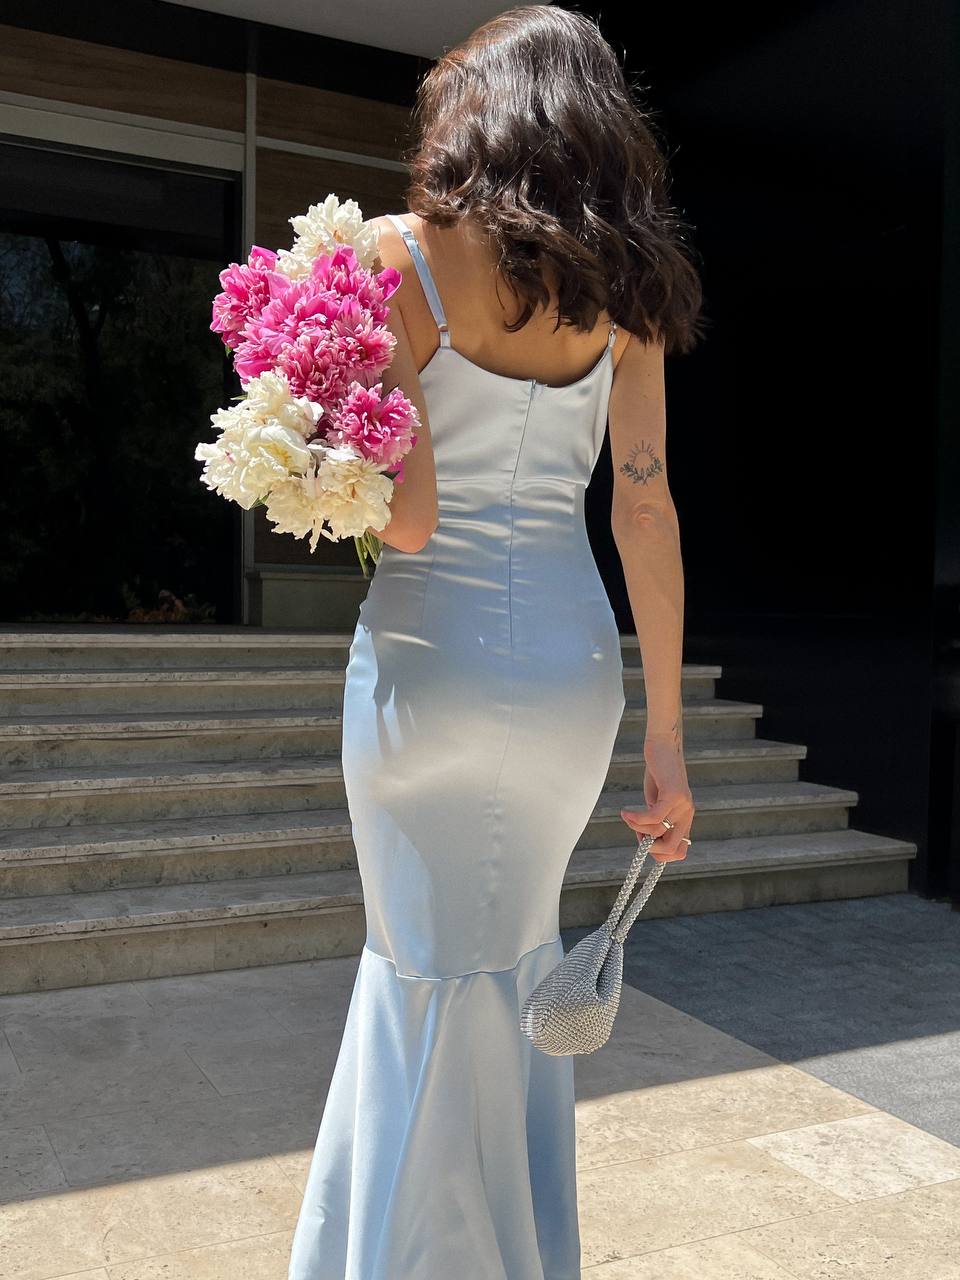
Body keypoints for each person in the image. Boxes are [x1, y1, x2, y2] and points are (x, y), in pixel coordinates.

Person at [288, 7, 704, 1277]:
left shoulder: (400, 256)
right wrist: (668, 740)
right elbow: (644, 509)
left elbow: (408, 521)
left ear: (480, 117)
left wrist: (308, 442)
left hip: (431, 664)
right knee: (517, 962)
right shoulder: (626, 291)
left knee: (415, 964)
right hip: (570, 673)